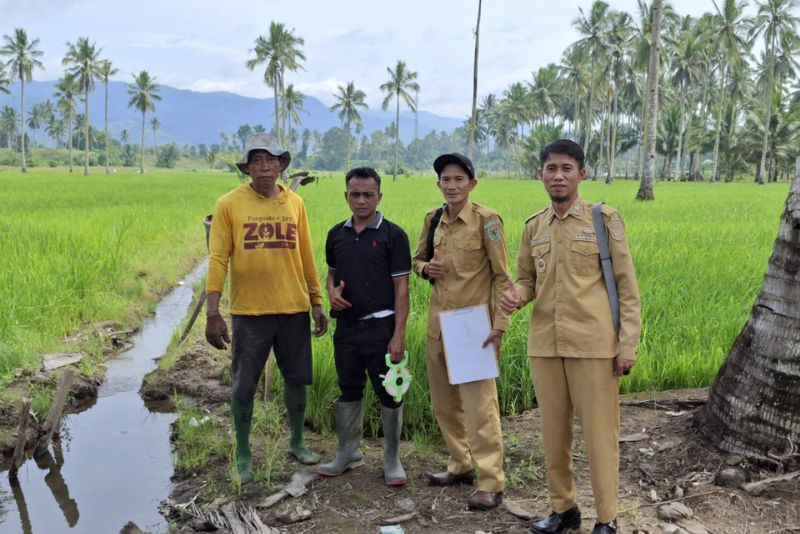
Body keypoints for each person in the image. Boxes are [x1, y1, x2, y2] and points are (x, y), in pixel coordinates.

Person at [500, 139, 641, 534]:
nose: (558, 175)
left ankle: (607, 519)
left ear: (582, 173)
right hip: (545, 345)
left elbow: (627, 288)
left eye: (566, 168)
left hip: (594, 347)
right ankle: (565, 510)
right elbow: (528, 280)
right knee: (554, 434)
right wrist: (517, 297)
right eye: (551, 168)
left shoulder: (603, 219)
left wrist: (626, 345)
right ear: (540, 174)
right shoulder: (534, 227)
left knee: (599, 437)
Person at [205, 133, 328, 483]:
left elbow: (306, 255)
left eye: (271, 159)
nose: (264, 166)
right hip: (249, 313)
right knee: (244, 385)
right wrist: (213, 312)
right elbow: (218, 258)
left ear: (280, 165)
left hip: (293, 309)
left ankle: (297, 441)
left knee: (297, 380)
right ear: (247, 167)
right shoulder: (229, 204)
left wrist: (317, 302)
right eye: (257, 160)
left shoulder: (295, 203)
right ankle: (243, 452)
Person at [412, 153, 510, 511]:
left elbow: (502, 277)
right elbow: (416, 260)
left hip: (473, 327)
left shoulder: (487, 221)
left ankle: (491, 481)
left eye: (458, 179)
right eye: (445, 179)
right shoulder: (433, 219)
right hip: (438, 325)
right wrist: (426, 270)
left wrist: (499, 326)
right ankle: (460, 463)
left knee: (480, 406)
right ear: (438, 184)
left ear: (472, 184)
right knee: (445, 403)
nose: (451, 185)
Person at [318, 167, 412, 486]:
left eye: (367, 195)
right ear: (346, 196)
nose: (361, 201)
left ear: (379, 196)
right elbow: (332, 273)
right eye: (355, 194)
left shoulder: (393, 235)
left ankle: (391, 459)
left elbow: (402, 289)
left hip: (381, 328)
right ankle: (348, 452)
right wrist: (331, 291)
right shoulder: (336, 235)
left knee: (390, 392)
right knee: (349, 390)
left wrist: (398, 335)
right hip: (346, 328)